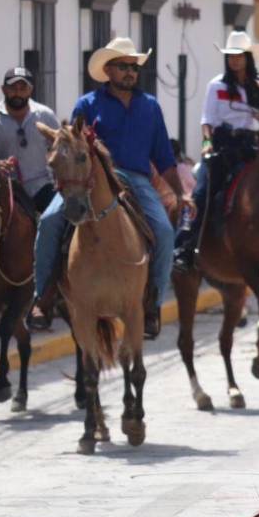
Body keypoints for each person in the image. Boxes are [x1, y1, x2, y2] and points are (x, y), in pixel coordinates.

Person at [32, 37, 181, 339]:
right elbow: (73, 146)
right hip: (90, 178)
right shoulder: (87, 104)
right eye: (123, 66)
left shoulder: (150, 107)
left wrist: (181, 193)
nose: (130, 72)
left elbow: (164, 157)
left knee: (165, 232)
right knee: (49, 221)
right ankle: (43, 296)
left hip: (136, 179)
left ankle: (151, 303)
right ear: (108, 70)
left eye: (134, 67)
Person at [173, 31, 259, 271]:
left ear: (248, 58)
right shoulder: (217, 85)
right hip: (223, 147)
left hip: (254, 148)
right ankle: (185, 247)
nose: (234, 60)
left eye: (239, 56)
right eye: (230, 56)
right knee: (201, 192)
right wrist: (206, 143)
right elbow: (207, 120)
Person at [0, 66, 61, 213]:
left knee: (63, 219)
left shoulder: (46, 115)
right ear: (3, 90)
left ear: (30, 90)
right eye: (13, 88)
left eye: (23, 88)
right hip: (5, 190)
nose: (18, 93)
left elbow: (61, 150)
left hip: (42, 187)